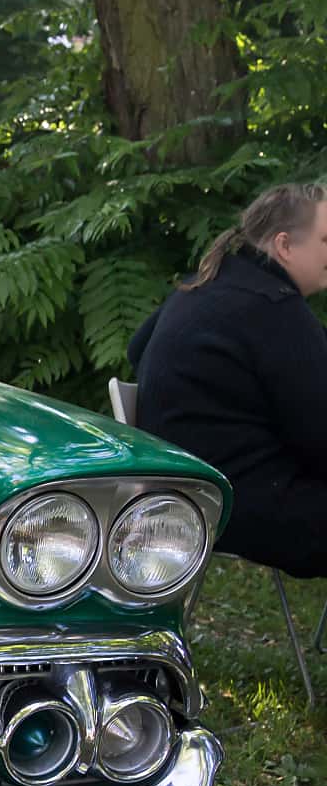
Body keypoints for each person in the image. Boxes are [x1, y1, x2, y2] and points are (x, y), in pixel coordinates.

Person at [128, 182, 327, 577]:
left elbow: (137, 348)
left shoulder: (207, 283)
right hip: (238, 504)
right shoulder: (274, 309)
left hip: (187, 493)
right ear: (285, 245)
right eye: (325, 240)